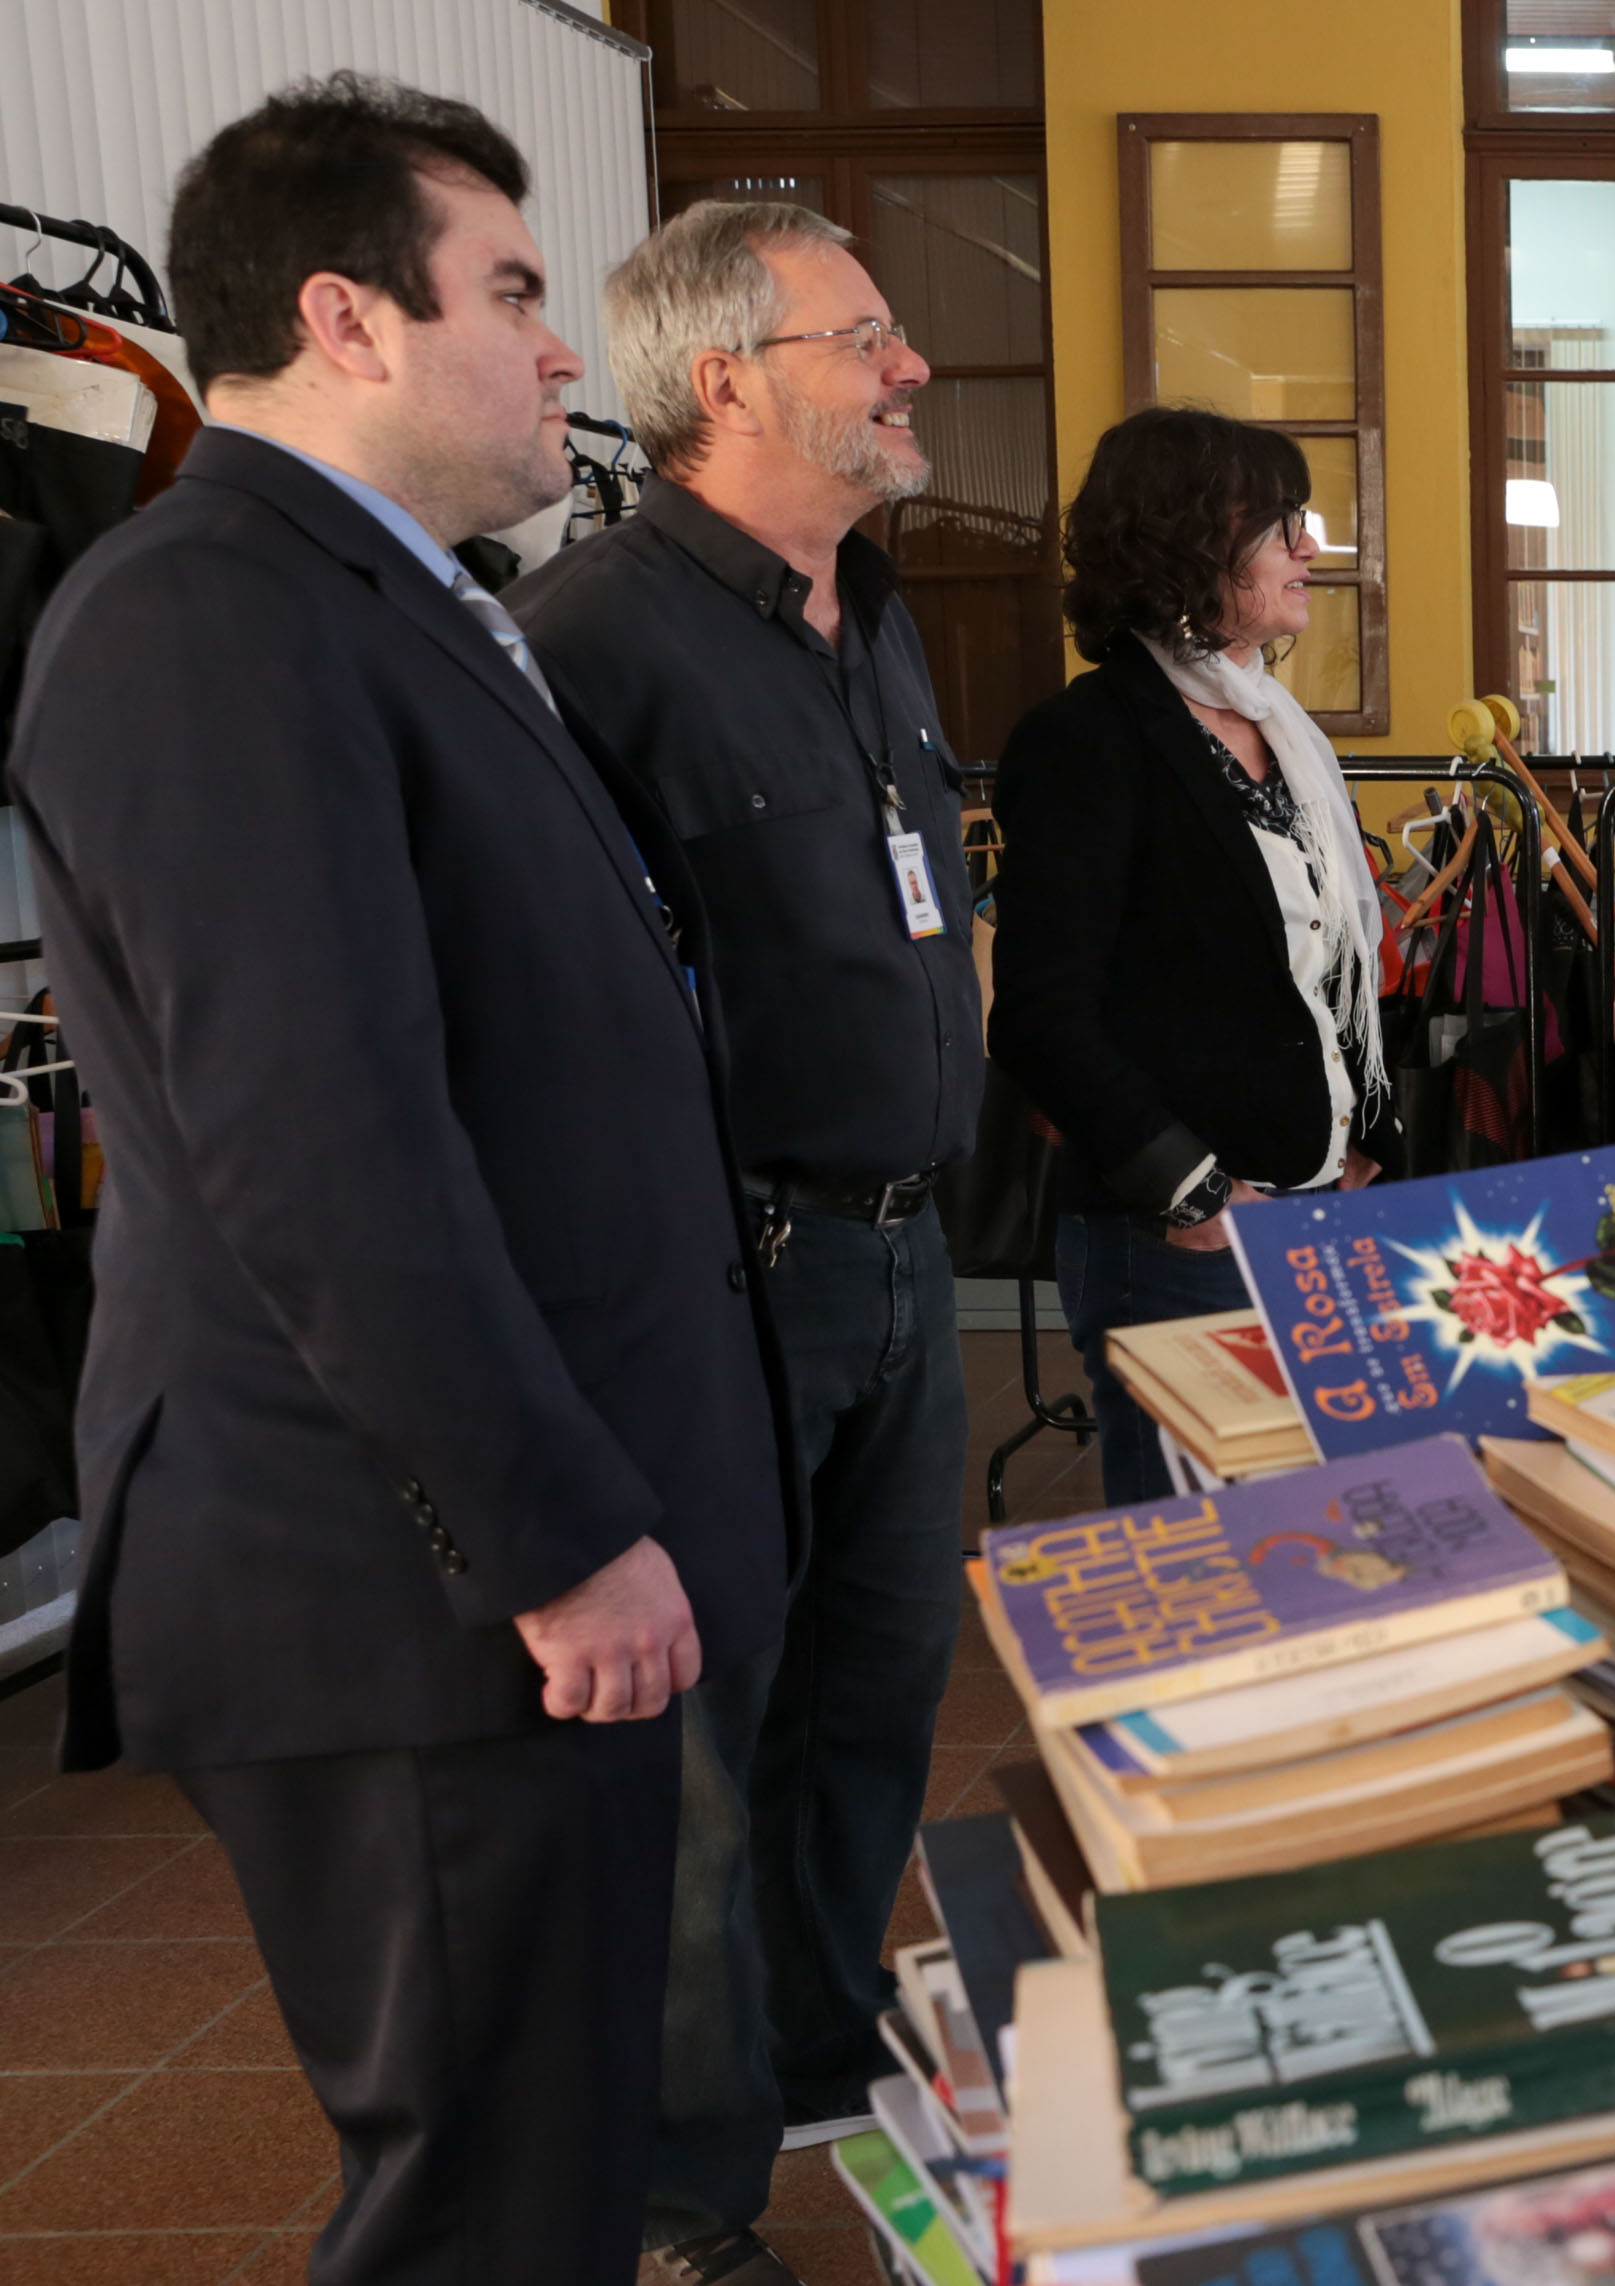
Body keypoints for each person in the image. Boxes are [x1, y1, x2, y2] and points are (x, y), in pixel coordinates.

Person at [3, 77, 787, 2284]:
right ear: (347, 318)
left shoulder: (407, 598)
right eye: (517, 291)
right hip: (405, 1593)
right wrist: (549, 1543)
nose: (564, 348)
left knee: (551, 2153)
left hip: (495, 1574)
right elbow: (317, 1142)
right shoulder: (205, 615)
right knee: (484, 2200)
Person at [502, 201, 981, 2279]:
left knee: (877, 1688)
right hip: (731, 1272)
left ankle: (814, 2061)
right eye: (865, 336)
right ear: (726, 380)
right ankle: (678, 2201)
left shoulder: (866, 613)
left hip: (910, 1255)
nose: (910, 368)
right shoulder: (591, 639)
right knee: (706, 1746)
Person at [993, 407, 1391, 1503]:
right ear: (1184, 542)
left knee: (1330, 1549)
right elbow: (1037, 1016)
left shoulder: (1280, 729)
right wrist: (1199, 1196)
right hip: (1180, 1241)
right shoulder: (1090, 739)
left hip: (1315, 1205)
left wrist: (1365, 1148)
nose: (1310, 549)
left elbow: (1324, 981)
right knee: (1212, 1584)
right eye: (1279, 524)